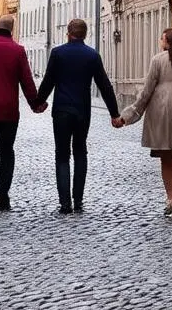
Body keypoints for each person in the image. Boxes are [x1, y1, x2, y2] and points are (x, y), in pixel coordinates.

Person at [33, 18, 123, 215]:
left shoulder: (58, 53)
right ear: (85, 34)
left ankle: (65, 203)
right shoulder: (92, 55)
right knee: (81, 152)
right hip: (82, 111)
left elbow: (48, 81)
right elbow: (104, 85)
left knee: (62, 155)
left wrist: (38, 102)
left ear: (68, 33)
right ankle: (79, 200)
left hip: (62, 111)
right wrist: (114, 113)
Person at [121, 27, 172, 219]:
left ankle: (169, 200)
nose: (160, 42)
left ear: (167, 43)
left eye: (162, 39)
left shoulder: (158, 60)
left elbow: (147, 90)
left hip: (162, 109)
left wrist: (129, 115)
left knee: (166, 158)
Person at [0, 14, 46, 213]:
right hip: (8, 110)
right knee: (6, 152)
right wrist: (35, 103)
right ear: (11, 29)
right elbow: (27, 81)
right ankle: (3, 197)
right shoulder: (17, 50)